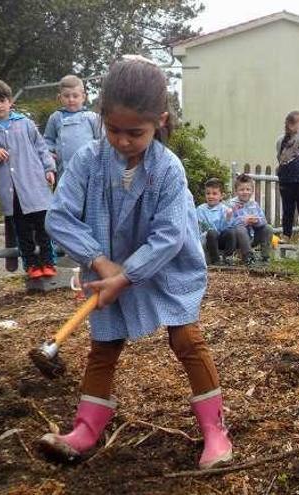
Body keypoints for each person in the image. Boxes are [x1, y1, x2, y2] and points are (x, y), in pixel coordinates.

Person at [40, 58, 233, 469]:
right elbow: (58, 217)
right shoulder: (87, 162)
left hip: (165, 267)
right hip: (108, 265)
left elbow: (169, 236)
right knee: (104, 345)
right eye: (114, 130)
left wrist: (127, 274)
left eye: (136, 133)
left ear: (159, 121)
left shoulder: (168, 170)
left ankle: (216, 433)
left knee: (186, 339)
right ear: (101, 117)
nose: (123, 141)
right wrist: (100, 262)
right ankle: (86, 429)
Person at [0, 78, 57, 279]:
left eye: (2, 100)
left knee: (43, 227)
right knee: (22, 230)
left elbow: (41, 147)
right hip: (13, 190)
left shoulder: (25, 124)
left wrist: (49, 168)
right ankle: (31, 264)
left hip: (35, 184)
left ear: (10, 101)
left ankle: (48, 262)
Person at [43, 75, 102, 180]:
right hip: (64, 171)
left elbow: (102, 140)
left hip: (89, 169)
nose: (71, 99)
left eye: (75, 96)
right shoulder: (55, 117)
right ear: (59, 97)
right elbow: (48, 139)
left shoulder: (92, 117)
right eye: (66, 96)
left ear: (83, 97)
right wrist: (49, 153)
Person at [275, 110, 299, 244]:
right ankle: (286, 235)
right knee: (287, 209)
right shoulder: (281, 141)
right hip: (286, 180)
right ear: (291, 126)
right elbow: (279, 157)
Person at [228, 174, 273, 265]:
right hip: (238, 239)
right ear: (236, 191)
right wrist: (244, 221)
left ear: (252, 191)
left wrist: (257, 221)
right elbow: (228, 223)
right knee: (240, 229)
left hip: (253, 237)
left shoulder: (254, 204)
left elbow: (263, 220)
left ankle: (265, 257)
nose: (245, 192)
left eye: (248, 189)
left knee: (267, 228)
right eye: (242, 190)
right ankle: (248, 257)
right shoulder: (231, 204)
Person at [196, 177, 235, 265]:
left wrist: (228, 218)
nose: (211, 196)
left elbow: (224, 229)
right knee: (211, 233)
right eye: (208, 193)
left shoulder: (224, 209)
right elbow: (200, 228)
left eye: (214, 194)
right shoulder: (200, 209)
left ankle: (228, 257)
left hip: (220, 239)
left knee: (231, 232)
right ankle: (216, 260)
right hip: (206, 240)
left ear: (221, 196)